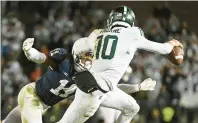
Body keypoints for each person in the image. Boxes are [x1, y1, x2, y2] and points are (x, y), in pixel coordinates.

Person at [58, 6, 183, 123]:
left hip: (92, 86)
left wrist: (137, 87)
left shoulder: (100, 34)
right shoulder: (132, 33)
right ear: (130, 22)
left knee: (132, 107)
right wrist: (173, 43)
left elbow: (82, 47)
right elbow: (164, 49)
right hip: (96, 92)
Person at [3, 38, 156, 123]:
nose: (89, 61)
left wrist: (138, 86)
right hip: (33, 95)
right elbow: (42, 58)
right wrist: (29, 51)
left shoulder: (89, 77)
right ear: (77, 54)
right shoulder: (63, 58)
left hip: (44, 105)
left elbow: (111, 90)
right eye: (86, 57)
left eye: (91, 57)